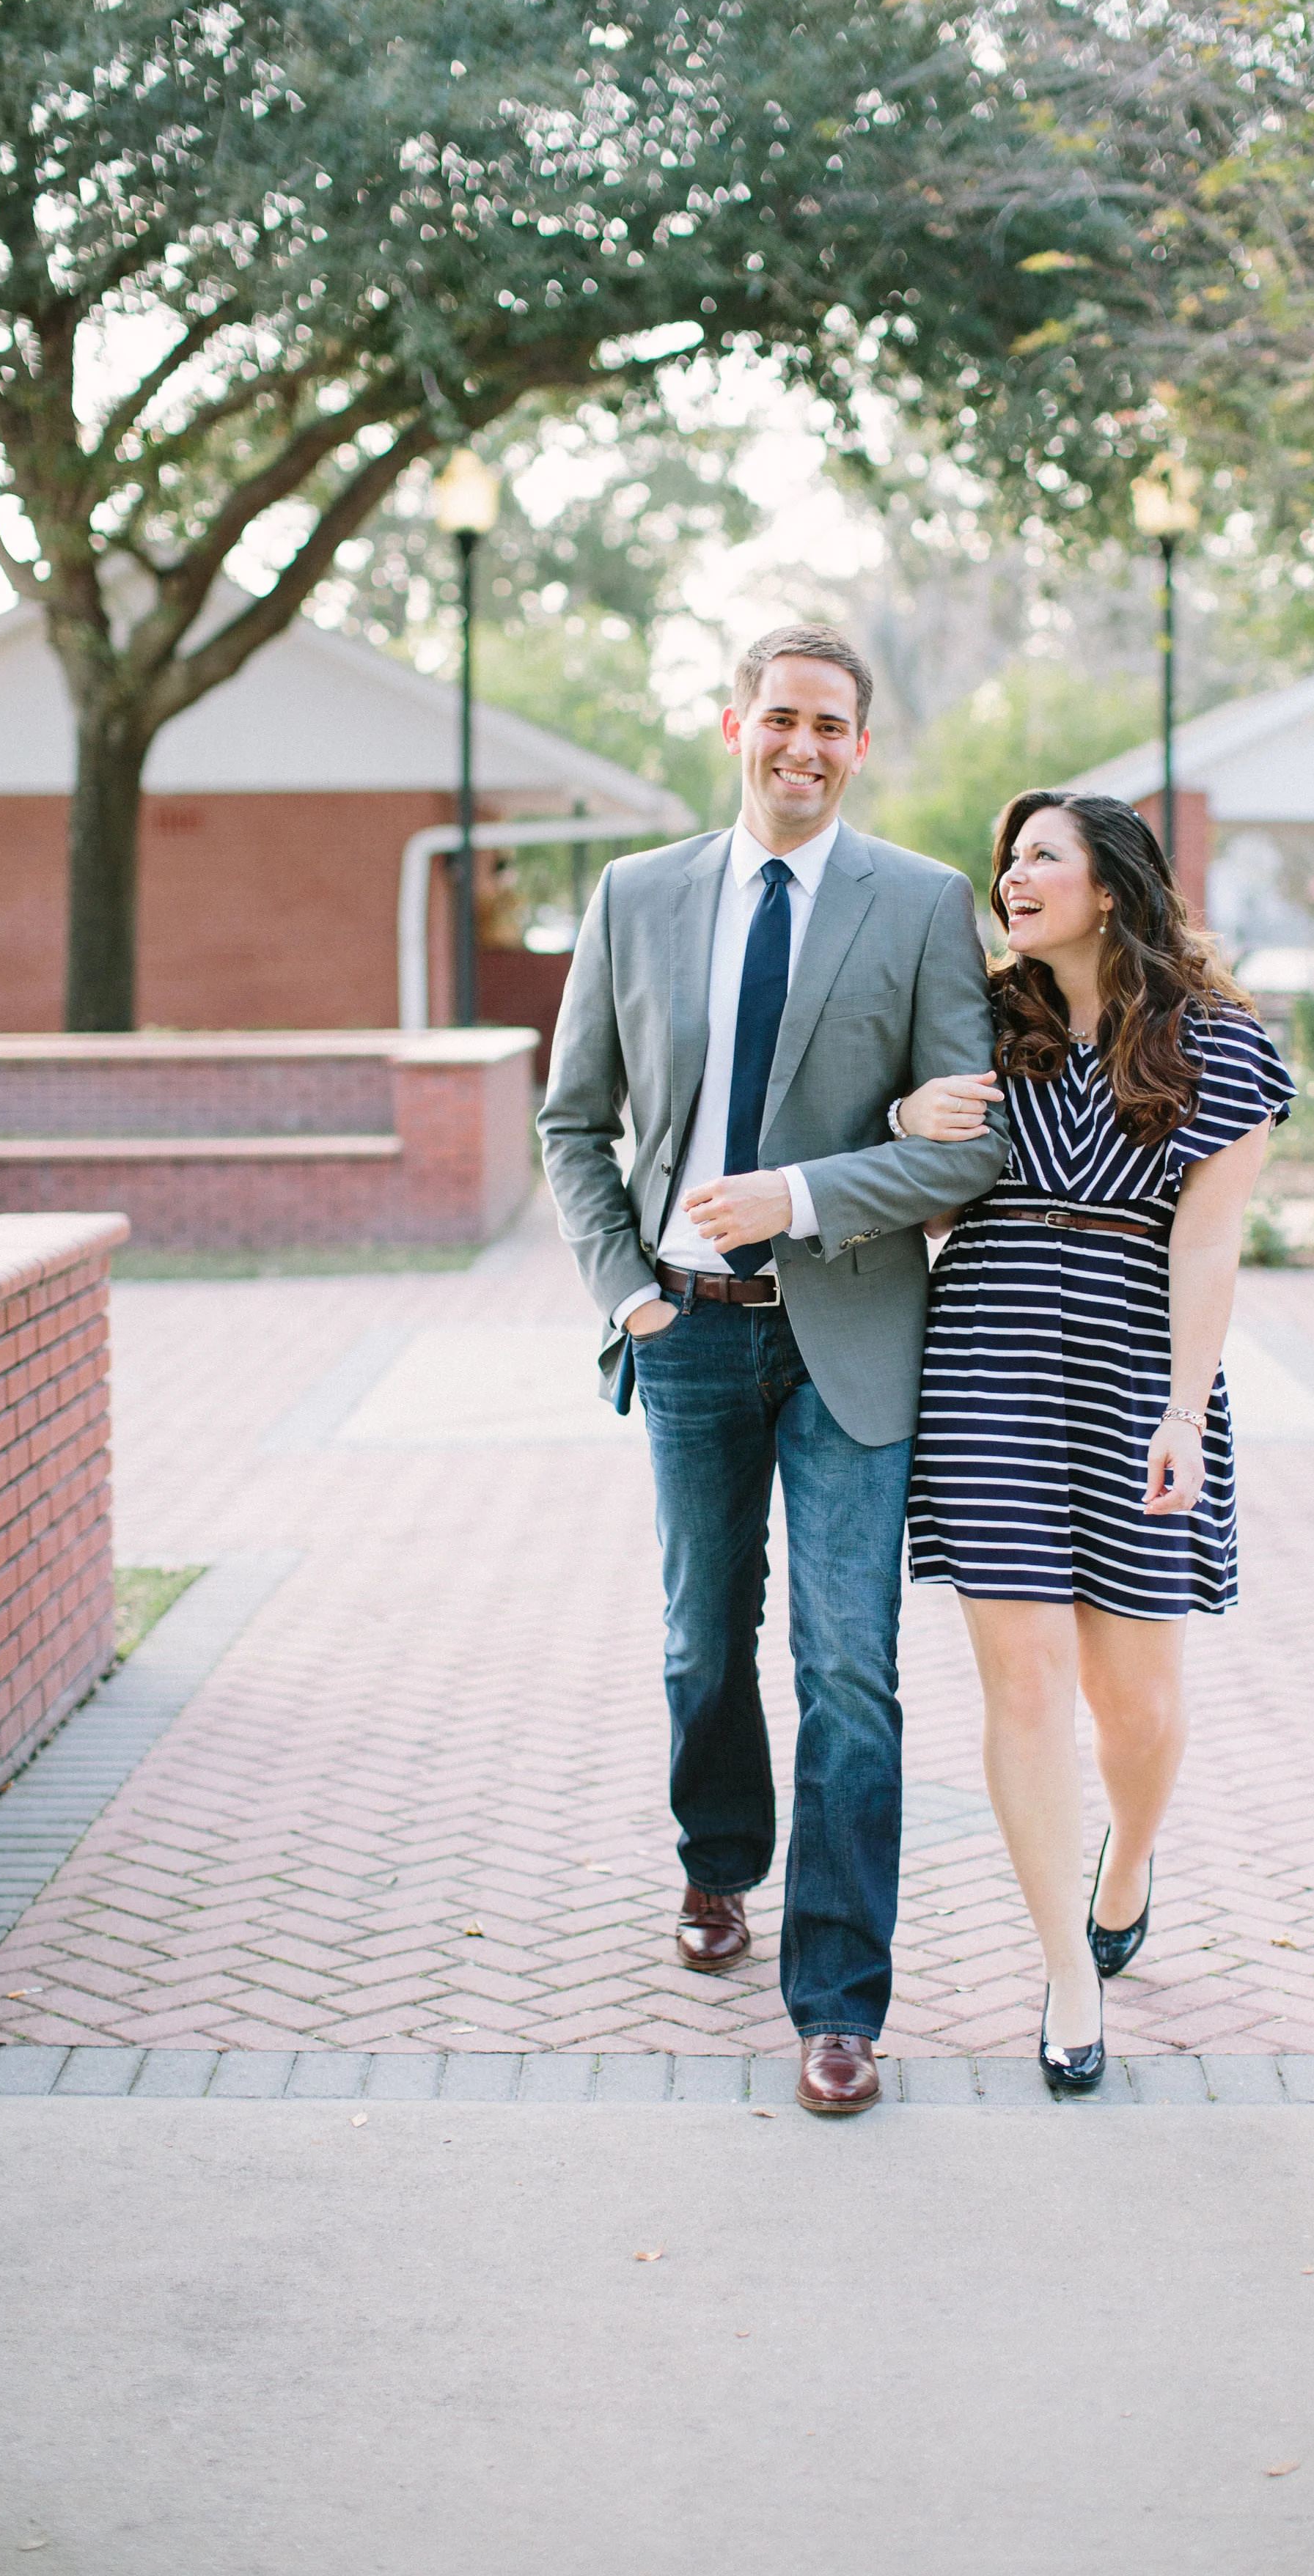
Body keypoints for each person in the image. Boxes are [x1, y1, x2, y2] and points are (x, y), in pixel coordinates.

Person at [538, 625, 1008, 2116]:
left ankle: (842, 1999)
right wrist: (627, 1294)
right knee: (700, 1644)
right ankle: (719, 1863)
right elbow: (572, 1124)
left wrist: (800, 1195)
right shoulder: (637, 896)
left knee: (852, 1672)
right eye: (782, 718)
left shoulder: (926, 906)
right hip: (689, 1332)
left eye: (833, 728)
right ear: (738, 723)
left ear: (861, 748)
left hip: (855, 1338)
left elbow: (976, 1144)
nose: (803, 747)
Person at [900, 790, 1293, 2092]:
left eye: (1042, 859)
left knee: (1135, 1703)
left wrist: (1185, 1408)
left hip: (1133, 1372)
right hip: (988, 1364)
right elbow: (897, 1144)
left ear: (1110, 886)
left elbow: (1209, 1239)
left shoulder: (1220, 1045)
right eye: (1006, 858)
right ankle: (1067, 1969)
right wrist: (906, 1123)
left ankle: (1130, 1857)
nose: (1013, 877)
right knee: (1021, 1688)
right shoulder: (976, 1018)